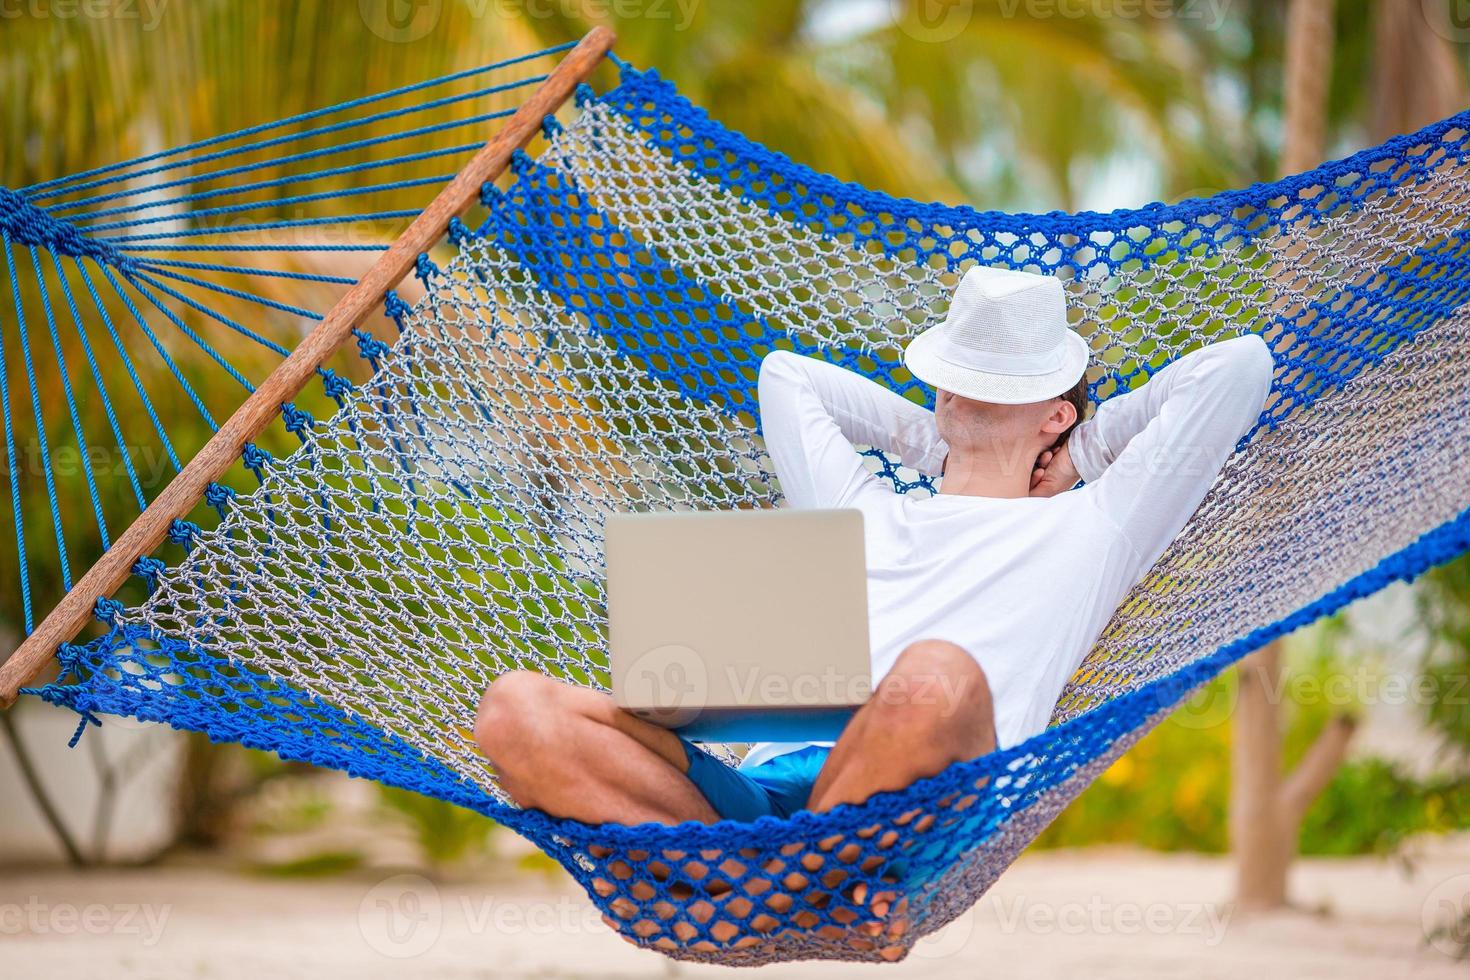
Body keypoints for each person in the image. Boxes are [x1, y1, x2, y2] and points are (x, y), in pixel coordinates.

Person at [474, 265, 1274, 828]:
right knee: (517, 710)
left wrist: (1087, 454)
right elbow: (786, 378)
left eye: (988, 378)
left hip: (926, 797)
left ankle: (776, 876)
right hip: (770, 797)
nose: (957, 387)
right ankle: (760, 876)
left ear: (1054, 414)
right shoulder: (862, 508)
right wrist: (934, 448)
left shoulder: (1100, 523)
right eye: (954, 374)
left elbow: (1239, 368)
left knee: (935, 676)